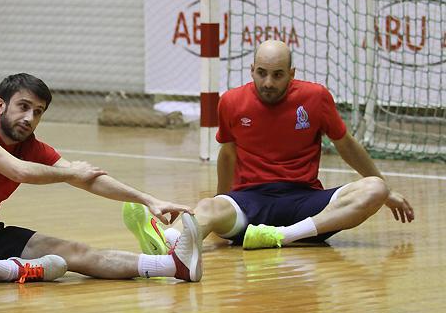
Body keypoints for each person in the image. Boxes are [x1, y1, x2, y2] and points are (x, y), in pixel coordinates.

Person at [0, 73, 202, 283]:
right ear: (0, 105)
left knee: (75, 251)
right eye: (23, 107)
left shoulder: (30, 146)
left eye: (38, 112)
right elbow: (17, 170)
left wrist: (149, 200)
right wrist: (71, 172)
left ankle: (171, 266)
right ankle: (15, 271)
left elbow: (88, 179)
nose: (29, 118)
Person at [123, 39, 414, 253]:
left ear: (291, 73)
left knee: (375, 188)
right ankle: (165, 244)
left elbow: (345, 144)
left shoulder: (316, 98)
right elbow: (228, 154)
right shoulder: (231, 102)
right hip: (250, 204)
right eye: (261, 73)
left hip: (305, 202)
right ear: (251, 69)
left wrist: (386, 191)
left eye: (277, 75)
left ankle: (284, 236)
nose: (268, 82)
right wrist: (223, 202)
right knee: (207, 207)